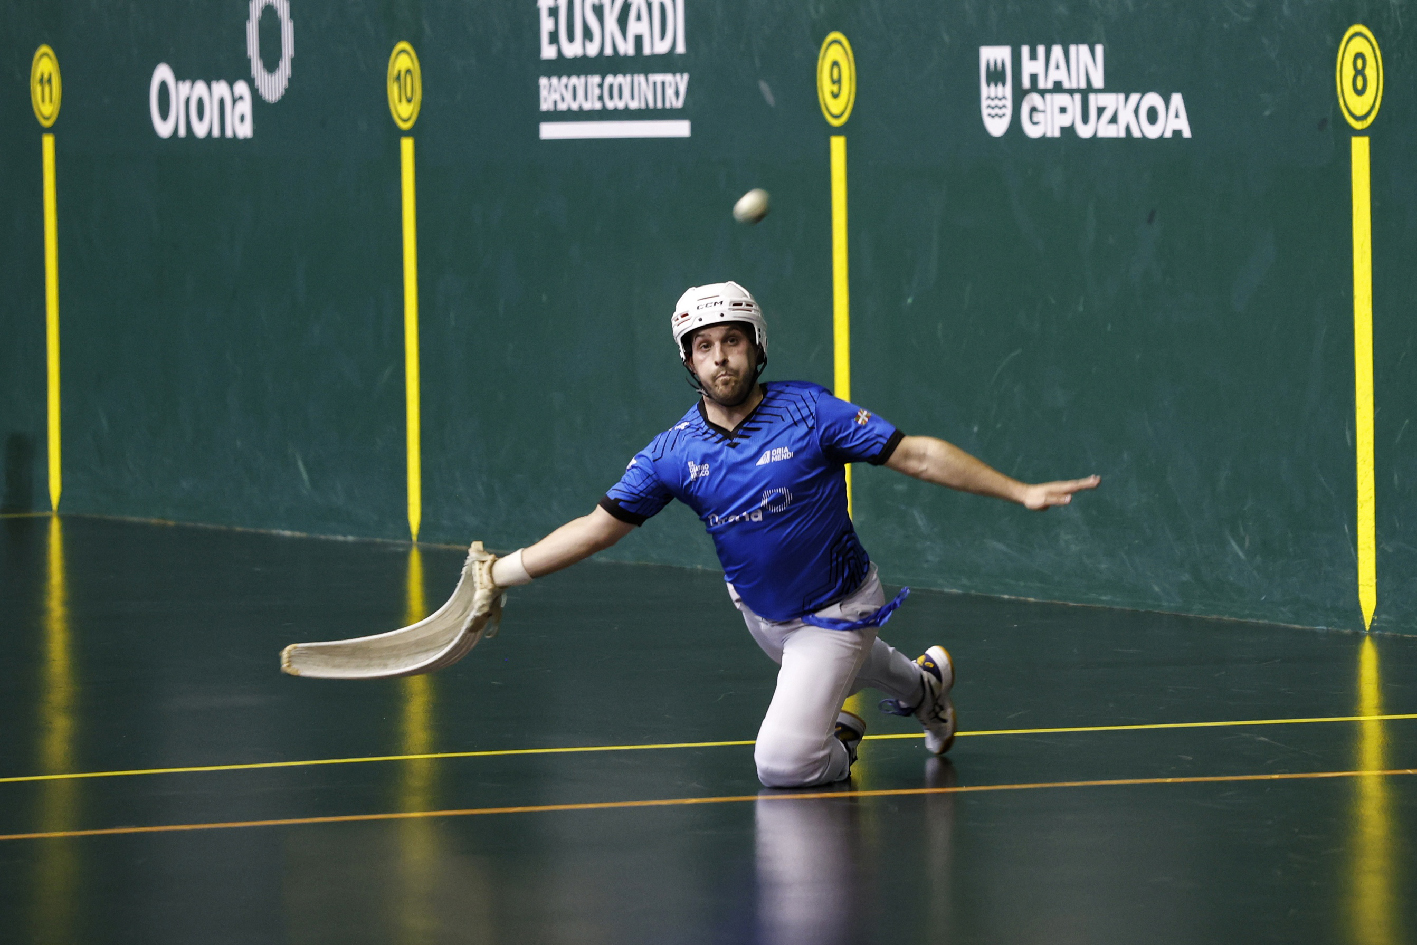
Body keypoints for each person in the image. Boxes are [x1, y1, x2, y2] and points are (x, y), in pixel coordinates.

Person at [488, 282, 1099, 788]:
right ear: (689, 361)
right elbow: (598, 529)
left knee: (782, 763)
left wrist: (1019, 490)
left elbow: (914, 455)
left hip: (838, 606)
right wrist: (500, 573)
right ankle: (925, 687)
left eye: (732, 340)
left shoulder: (809, 412)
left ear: (757, 347)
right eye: (704, 346)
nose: (720, 357)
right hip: (761, 615)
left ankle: (841, 741)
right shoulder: (671, 452)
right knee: (844, 664)